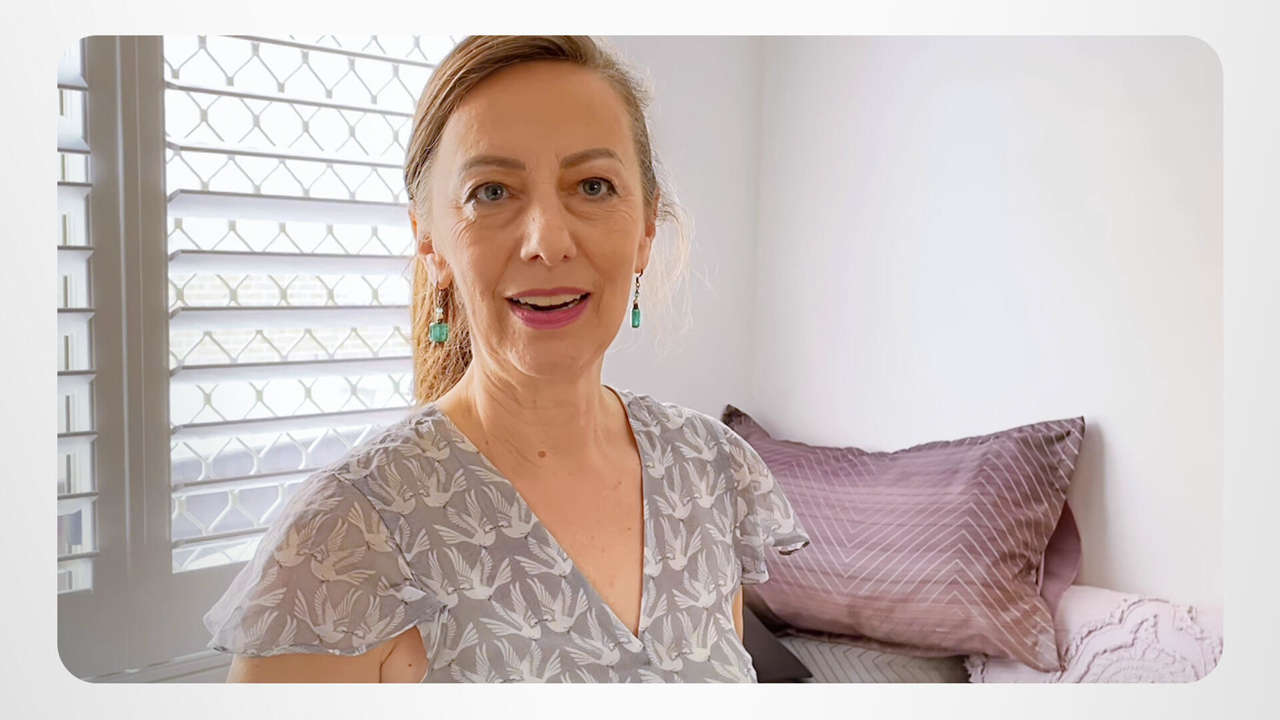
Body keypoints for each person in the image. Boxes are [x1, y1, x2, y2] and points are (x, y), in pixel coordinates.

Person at [202, 35, 810, 683]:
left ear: (646, 230)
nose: (547, 241)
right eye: (491, 192)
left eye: (594, 186)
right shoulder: (339, 543)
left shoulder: (712, 471)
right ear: (430, 244)